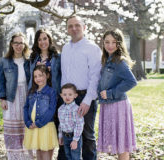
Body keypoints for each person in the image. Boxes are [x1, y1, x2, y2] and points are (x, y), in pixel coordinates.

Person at [60, 15, 102, 160]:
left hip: (85, 96)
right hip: (67, 98)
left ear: (84, 27)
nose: (74, 28)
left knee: (87, 135)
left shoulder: (92, 48)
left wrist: (87, 100)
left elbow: (96, 76)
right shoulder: (65, 48)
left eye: (77, 25)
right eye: (70, 26)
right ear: (67, 30)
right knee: (67, 135)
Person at [97, 29, 137, 160]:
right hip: (108, 105)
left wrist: (110, 93)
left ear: (119, 44)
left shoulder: (119, 61)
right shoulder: (106, 60)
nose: (110, 45)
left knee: (122, 144)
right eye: (107, 42)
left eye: (114, 42)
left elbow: (131, 81)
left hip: (118, 106)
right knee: (118, 142)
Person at [0, 32, 31, 160]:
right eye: (16, 43)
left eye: (21, 43)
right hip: (11, 97)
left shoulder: (29, 61)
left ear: (24, 44)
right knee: (12, 129)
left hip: (28, 96)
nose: (18, 46)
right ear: (11, 44)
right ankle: (14, 157)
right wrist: (2, 98)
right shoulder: (4, 61)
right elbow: (0, 81)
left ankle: (27, 156)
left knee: (27, 126)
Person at [23, 65, 59, 160]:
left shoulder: (51, 92)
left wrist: (39, 123)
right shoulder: (31, 91)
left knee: (46, 154)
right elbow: (25, 107)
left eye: (41, 75)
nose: (38, 78)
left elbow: (51, 110)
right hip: (33, 127)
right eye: (35, 76)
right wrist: (27, 122)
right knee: (38, 153)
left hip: (45, 127)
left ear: (47, 75)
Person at [28, 28, 61, 95]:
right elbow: (31, 78)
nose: (42, 42)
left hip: (53, 96)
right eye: (39, 40)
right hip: (36, 95)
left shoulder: (57, 57)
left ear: (49, 39)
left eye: (45, 39)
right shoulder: (33, 58)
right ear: (37, 43)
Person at [58, 83, 84, 160]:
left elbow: (79, 125)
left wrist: (75, 140)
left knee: (75, 157)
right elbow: (61, 124)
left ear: (75, 95)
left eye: (70, 94)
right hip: (65, 137)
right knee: (68, 156)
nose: (67, 97)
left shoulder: (76, 109)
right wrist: (60, 136)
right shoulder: (60, 109)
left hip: (74, 137)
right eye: (65, 94)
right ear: (61, 95)